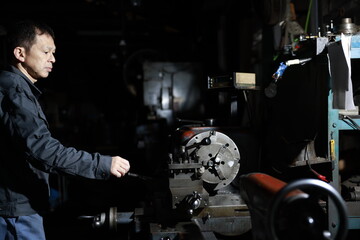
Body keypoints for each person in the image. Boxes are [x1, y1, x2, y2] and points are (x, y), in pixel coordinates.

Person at [0, 20, 130, 240]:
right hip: (16, 211)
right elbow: (43, 150)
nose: (52, 58)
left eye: (54, 52)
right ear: (20, 53)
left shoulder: (14, 87)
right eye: (46, 51)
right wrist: (101, 164)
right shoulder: (15, 92)